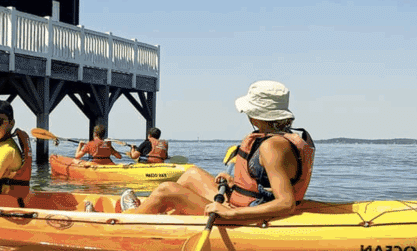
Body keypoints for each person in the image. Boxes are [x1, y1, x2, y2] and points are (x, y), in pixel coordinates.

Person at [121, 80, 314, 221]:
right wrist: (235, 184)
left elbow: (286, 203)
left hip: (246, 215)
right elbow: (266, 184)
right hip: (240, 203)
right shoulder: (278, 139)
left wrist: (233, 212)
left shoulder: (272, 146)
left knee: (166, 190)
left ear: (256, 116)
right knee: (191, 174)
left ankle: (130, 218)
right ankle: (159, 214)